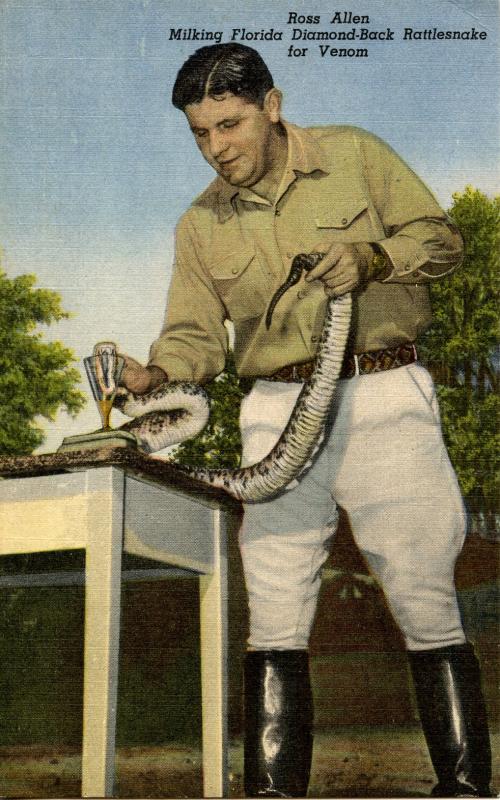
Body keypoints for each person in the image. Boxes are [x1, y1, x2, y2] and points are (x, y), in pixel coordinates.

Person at [120, 43, 493, 798]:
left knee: (422, 592)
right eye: (200, 134)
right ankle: (273, 791)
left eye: (229, 126)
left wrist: (374, 259)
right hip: (274, 413)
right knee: (275, 602)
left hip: (385, 395)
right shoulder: (199, 224)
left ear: (273, 106)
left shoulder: (357, 154)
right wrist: (156, 375)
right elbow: (195, 337)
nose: (217, 150)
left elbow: (442, 240)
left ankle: (464, 789)